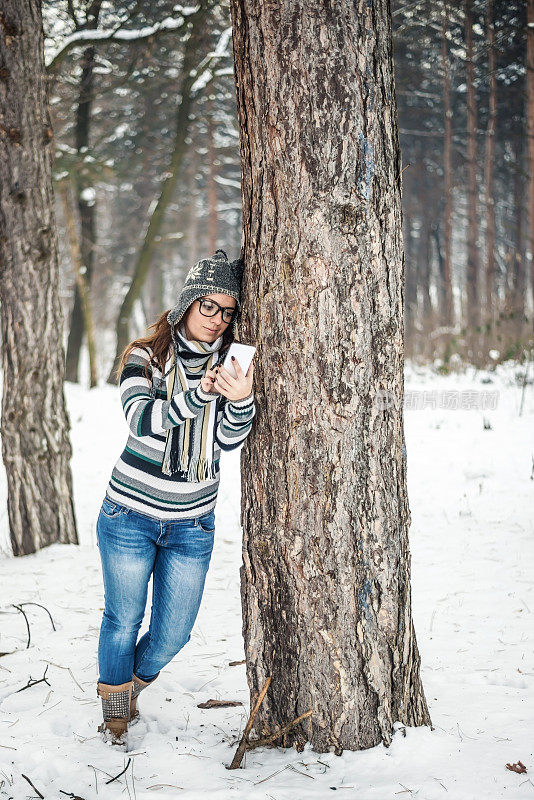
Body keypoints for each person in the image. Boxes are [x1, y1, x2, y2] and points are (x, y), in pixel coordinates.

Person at [95, 249, 256, 745]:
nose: (217, 319)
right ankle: (116, 707)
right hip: (129, 514)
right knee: (123, 620)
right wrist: (197, 395)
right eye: (209, 306)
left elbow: (227, 442)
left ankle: (129, 684)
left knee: (172, 634)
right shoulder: (146, 356)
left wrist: (240, 398)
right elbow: (142, 421)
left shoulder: (229, 361)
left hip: (192, 522)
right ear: (188, 302)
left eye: (228, 311)